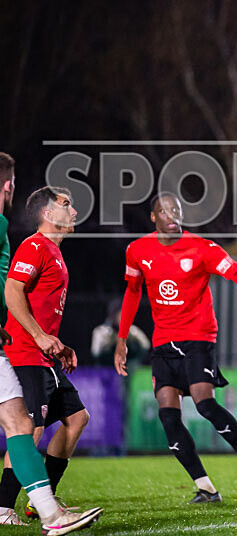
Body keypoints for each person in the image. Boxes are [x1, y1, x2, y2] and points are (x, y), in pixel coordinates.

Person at [113, 192, 237, 503]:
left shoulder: (203, 249)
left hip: (198, 337)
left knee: (204, 405)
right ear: (153, 217)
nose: (171, 215)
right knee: (168, 416)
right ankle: (206, 487)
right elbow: (132, 292)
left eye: (176, 210)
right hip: (162, 343)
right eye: (164, 211)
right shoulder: (137, 250)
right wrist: (121, 339)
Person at [0, 177, 102, 533]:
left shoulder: (54, 251)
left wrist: (58, 343)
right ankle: (2, 506)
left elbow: (40, 307)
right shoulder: (34, 247)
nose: (73, 210)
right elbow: (12, 293)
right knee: (29, 428)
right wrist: (41, 336)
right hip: (24, 352)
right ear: (47, 212)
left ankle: (41, 498)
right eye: (66, 204)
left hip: (42, 352)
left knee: (77, 419)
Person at [90, 299, 149, 366]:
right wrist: (109, 343)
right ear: (112, 315)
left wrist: (132, 338)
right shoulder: (100, 331)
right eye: (121, 314)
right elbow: (95, 352)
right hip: (107, 368)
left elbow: (146, 346)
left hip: (129, 368)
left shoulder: (133, 330)